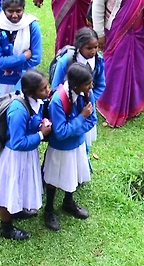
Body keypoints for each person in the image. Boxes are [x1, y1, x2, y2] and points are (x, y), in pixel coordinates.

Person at [0, 69, 53, 242]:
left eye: (47, 86)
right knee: (8, 188)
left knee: (19, 184)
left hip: (27, 154)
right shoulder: (18, 110)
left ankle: (17, 209)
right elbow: (18, 142)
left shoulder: (36, 101)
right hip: (14, 156)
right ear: (29, 91)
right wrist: (41, 134)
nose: (48, 91)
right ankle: (6, 227)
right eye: (43, 89)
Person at [43, 62, 96, 231]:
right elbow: (60, 132)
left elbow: (92, 120)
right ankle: (49, 209)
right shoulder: (58, 101)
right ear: (75, 85)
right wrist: (80, 118)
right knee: (53, 178)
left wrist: (75, 126)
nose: (91, 86)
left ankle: (68, 201)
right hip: (60, 147)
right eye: (88, 84)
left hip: (77, 144)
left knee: (73, 172)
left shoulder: (87, 93)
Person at [50, 27, 106, 150]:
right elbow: (55, 86)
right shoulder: (66, 61)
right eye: (89, 48)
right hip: (66, 109)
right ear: (80, 46)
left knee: (83, 142)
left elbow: (101, 84)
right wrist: (70, 102)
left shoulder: (98, 60)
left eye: (96, 47)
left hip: (86, 107)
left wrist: (89, 98)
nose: (93, 51)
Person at [0, 0, 42, 94]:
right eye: (10, 11)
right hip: (0, 81)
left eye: (18, 11)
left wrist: (8, 66)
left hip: (25, 79)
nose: (15, 15)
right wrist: (23, 57)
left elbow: (36, 58)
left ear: (23, 9)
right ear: (4, 10)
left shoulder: (32, 26)